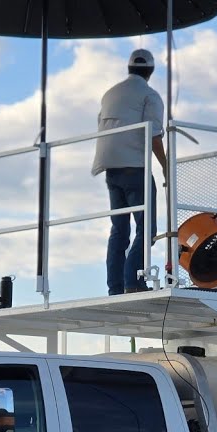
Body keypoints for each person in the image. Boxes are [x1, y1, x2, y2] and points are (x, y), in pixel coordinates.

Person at [91, 49, 169, 295]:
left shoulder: (110, 94)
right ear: (151, 71)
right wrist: (167, 169)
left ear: (129, 68)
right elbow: (154, 135)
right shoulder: (149, 95)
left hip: (110, 168)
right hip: (134, 167)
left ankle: (115, 287)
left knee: (119, 229)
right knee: (146, 228)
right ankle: (133, 281)